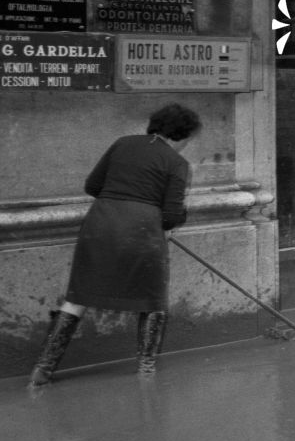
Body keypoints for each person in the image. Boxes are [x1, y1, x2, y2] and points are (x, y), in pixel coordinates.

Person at [28, 103, 202, 388]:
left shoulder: (122, 144)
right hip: (142, 232)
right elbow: (171, 216)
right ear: (181, 135)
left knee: (78, 297)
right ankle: (146, 371)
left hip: (99, 225)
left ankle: (42, 370)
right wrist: (170, 216)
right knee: (152, 301)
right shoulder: (176, 162)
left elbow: (92, 186)